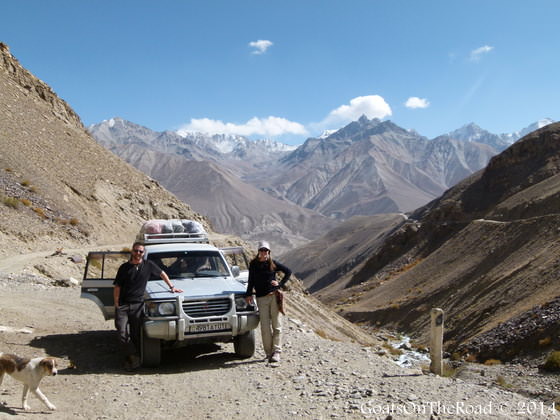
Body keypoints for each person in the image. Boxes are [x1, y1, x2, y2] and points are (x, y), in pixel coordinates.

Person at [113, 242, 183, 369]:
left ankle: (133, 359)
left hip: (138, 305)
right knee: (122, 333)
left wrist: (172, 287)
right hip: (123, 306)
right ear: (132, 251)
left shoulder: (148, 265)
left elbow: (162, 273)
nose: (138, 253)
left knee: (135, 334)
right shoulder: (124, 267)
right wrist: (117, 304)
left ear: (143, 253)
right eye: (136, 251)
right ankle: (132, 356)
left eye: (140, 251)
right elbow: (117, 286)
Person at [245, 241, 291, 363]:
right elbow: (251, 281)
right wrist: (248, 294)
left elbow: (288, 272)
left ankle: (277, 351)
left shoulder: (273, 263)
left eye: (266, 251)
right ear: (258, 251)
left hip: (273, 297)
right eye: (262, 250)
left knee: (276, 325)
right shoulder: (253, 264)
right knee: (265, 327)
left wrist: (280, 284)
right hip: (260, 298)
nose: (264, 253)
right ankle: (268, 352)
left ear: (269, 252)